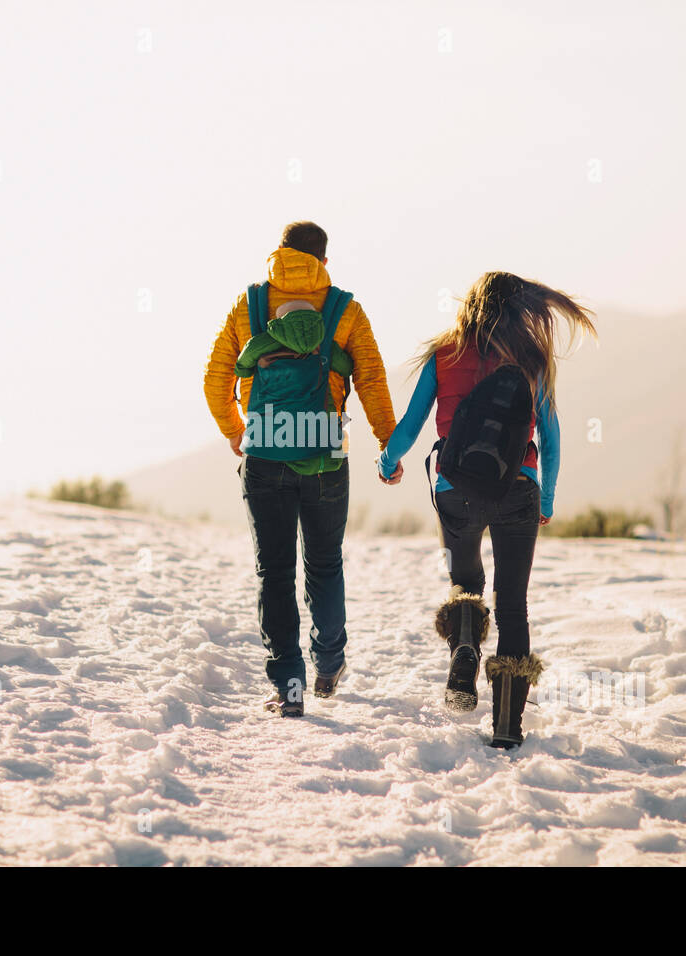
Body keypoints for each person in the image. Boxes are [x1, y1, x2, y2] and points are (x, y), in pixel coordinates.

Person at [377, 272, 596, 747]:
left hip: (456, 489)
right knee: (512, 605)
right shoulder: (531, 360)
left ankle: (463, 646)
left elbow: (412, 424)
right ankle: (505, 725)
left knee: (466, 583)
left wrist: (388, 461)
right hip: (519, 488)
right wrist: (548, 498)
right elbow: (552, 440)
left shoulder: (444, 353)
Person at [204, 221, 397, 717]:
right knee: (325, 564)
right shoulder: (345, 309)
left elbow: (216, 376)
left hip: (265, 456)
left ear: (279, 254)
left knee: (274, 572)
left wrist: (234, 430)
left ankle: (289, 687)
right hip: (325, 459)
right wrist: (386, 443)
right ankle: (328, 663)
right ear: (324, 263)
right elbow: (372, 379)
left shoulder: (249, 307)